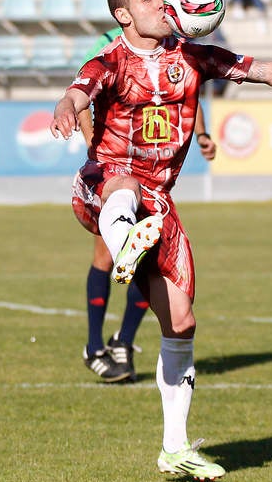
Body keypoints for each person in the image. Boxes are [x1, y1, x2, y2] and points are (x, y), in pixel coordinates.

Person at [49, 0, 272, 481]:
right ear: (123, 15)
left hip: (159, 202)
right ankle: (126, 245)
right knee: (125, 184)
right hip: (101, 186)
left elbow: (271, 72)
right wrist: (66, 109)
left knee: (181, 322)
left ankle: (175, 448)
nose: (162, 3)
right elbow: (76, 93)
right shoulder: (108, 62)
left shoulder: (193, 56)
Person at [77, 20, 217, 383]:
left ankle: (123, 340)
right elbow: (82, 94)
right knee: (107, 255)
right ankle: (94, 345)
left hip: (154, 171)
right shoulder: (109, 47)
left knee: (147, 256)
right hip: (116, 165)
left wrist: (201, 133)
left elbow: (186, 90)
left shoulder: (174, 49)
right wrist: (97, 150)